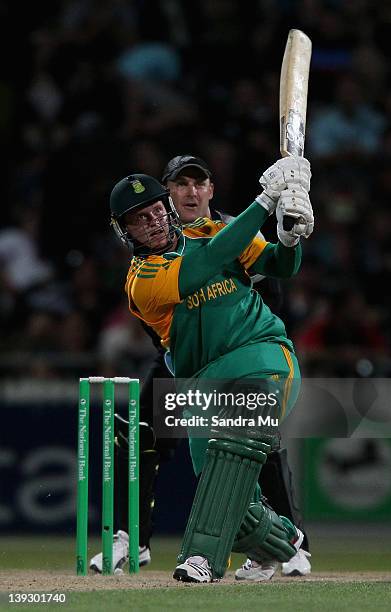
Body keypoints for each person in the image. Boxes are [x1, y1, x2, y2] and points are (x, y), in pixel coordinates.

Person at [90, 155, 312, 580]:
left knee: (234, 448)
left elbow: (279, 267)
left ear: (169, 208)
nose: (153, 222)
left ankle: (202, 559)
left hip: (262, 354)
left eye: (156, 211)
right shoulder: (144, 280)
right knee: (220, 482)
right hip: (201, 379)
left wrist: (289, 236)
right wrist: (266, 201)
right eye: (139, 220)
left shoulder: (219, 231)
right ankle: (283, 540)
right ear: (125, 232)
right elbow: (204, 265)